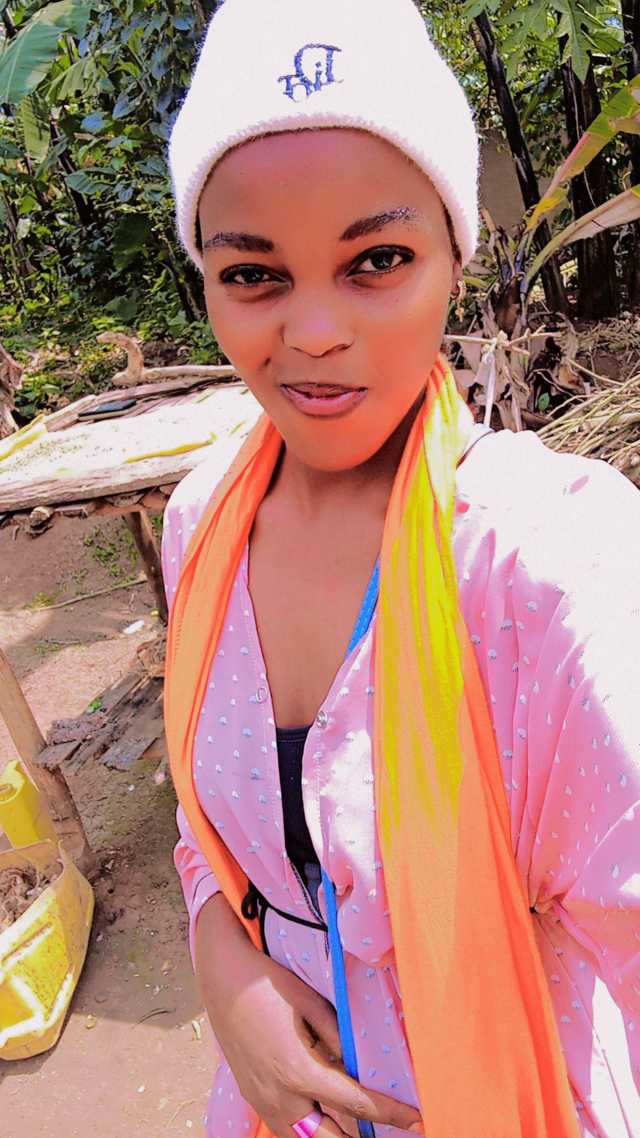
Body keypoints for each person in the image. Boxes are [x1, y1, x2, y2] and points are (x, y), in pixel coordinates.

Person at [161, 3, 640, 1137]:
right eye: (254, 273)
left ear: (454, 257)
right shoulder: (201, 523)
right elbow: (211, 834)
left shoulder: (543, 563)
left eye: (376, 260)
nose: (315, 331)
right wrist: (221, 956)